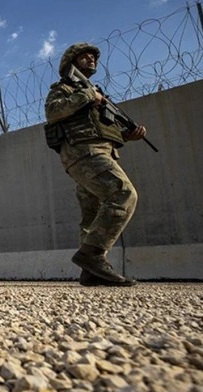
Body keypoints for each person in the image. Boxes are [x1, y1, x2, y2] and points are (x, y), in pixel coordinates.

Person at [45, 43, 146, 286]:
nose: (91, 58)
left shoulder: (95, 91)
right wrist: (89, 95)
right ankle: (92, 254)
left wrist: (126, 136)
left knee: (91, 214)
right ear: (71, 62)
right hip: (83, 152)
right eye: (84, 56)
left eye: (93, 56)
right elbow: (53, 112)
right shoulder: (64, 88)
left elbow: (99, 129)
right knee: (123, 193)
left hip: (98, 151)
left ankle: (91, 272)